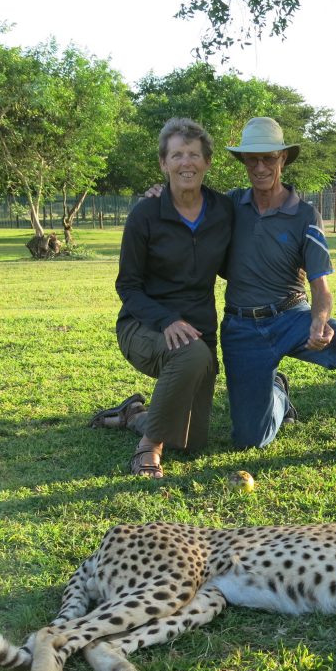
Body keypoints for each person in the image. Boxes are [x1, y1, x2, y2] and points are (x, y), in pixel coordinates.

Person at [220, 117, 336, 463]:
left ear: (283, 160)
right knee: (250, 441)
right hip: (240, 327)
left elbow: (321, 286)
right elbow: (187, 203)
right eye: (252, 159)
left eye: (269, 158)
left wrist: (320, 321)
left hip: (291, 316)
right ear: (244, 162)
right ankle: (278, 393)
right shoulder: (229, 205)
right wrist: (161, 192)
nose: (260, 167)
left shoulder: (305, 215)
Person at [90, 117, 233, 478]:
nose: (187, 162)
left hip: (200, 330)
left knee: (191, 442)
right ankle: (148, 447)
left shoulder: (224, 211)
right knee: (191, 353)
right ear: (163, 163)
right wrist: (166, 319)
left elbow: (237, 260)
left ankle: (134, 415)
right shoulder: (145, 215)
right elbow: (128, 286)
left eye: (194, 155)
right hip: (144, 326)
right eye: (177, 155)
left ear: (207, 162)